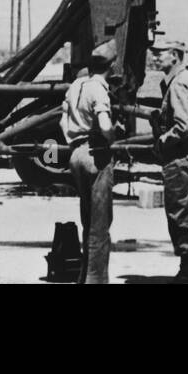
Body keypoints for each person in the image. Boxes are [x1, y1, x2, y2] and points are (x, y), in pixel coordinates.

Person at [60, 39, 116, 285]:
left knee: (87, 220)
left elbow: (63, 121)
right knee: (100, 225)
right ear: (111, 67)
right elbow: (104, 125)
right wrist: (113, 134)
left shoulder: (76, 85)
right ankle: (96, 280)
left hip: (76, 155)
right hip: (96, 154)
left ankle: (84, 276)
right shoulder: (98, 88)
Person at [157, 41, 188, 284]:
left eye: (161, 54)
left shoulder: (178, 83)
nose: (156, 58)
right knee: (187, 210)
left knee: (179, 213)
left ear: (175, 56)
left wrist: (163, 140)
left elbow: (184, 124)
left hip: (180, 156)